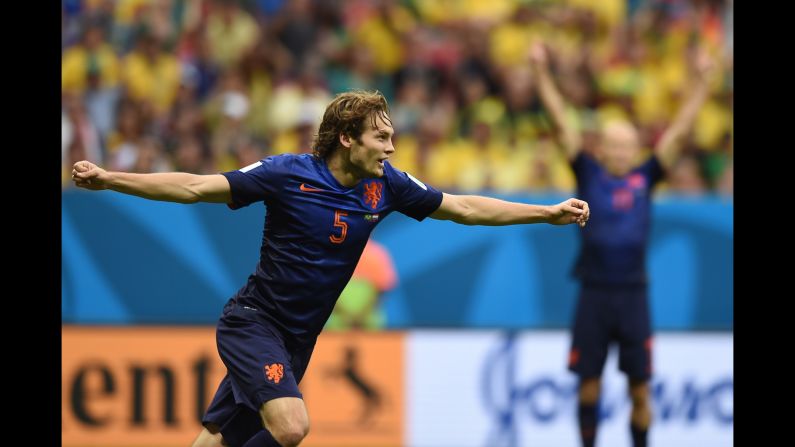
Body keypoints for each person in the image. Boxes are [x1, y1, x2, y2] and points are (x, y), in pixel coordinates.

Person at [71, 90, 590, 447]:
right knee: (292, 426)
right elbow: (194, 187)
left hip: (299, 340)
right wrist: (111, 178)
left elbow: (465, 208)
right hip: (254, 323)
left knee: (218, 439)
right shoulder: (285, 173)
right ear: (347, 138)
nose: (391, 147)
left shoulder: (385, 185)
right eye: (380, 137)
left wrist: (544, 213)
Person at [529, 44, 713, 447]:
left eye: (626, 145)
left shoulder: (646, 177)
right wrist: (541, 72)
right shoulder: (588, 172)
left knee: (639, 390)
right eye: (612, 144)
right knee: (588, 387)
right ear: (603, 148)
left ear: (635, 150)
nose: (619, 151)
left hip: (633, 295)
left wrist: (702, 82)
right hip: (593, 292)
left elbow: (680, 133)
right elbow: (562, 124)